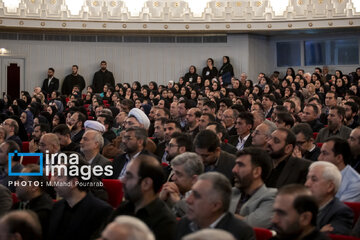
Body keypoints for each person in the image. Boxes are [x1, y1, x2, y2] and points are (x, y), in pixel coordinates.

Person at [108, 155, 176, 240]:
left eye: (129, 176)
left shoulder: (165, 223)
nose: (122, 180)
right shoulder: (124, 208)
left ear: (146, 183)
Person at [47, 155, 113, 240]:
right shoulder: (57, 207)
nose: (52, 180)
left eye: (59, 176)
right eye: (53, 174)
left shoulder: (101, 211)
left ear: (74, 183)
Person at [176, 172, 255, 240]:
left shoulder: (240, 233)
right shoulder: (184, 223)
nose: (188, 200)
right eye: (191, 193)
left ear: (216, 206)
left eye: (196, 196)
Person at [230, 147, 276, 228]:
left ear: (256, 172)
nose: (234, 170)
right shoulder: (231, 192)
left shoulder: (272, 197)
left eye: (240, 165)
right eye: (235, 165)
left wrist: (222, 216)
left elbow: (253, 226)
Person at [305, 161, 353, 235]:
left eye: (314, 179)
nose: (307, 184)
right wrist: (319, 232)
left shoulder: (341, 212)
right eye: (307, 178)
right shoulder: (301, 204)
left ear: (330, 187)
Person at [13, 164, 54, 235]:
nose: (16, 184)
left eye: (20, 181)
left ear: (34, 186)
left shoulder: (43, 213)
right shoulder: (19, 205)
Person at [160, 152, 204, 217]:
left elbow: (197, 221)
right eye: (173, 172)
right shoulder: (169, 193)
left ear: (194, 179)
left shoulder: (203, 200)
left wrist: (178, 202)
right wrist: (160, 200)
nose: (173, 178)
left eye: (178, 174)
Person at [318, 137, 360, 202]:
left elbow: (339, 210)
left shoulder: (355, 183)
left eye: (324, 153)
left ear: (339, 158)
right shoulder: (321, 174)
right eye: (320, 153)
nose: (319, 158)